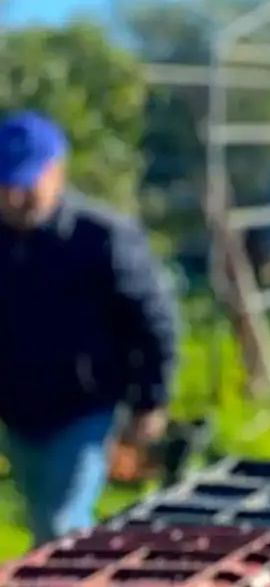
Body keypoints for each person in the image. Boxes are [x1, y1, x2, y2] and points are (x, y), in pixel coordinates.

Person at [0, 111, 179, 546]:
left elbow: (154, 321)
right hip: (17, 409)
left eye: (26, 185)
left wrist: (149, 403)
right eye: (4, 186)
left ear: (57, 173)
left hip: (85, 406)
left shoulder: (102, 238)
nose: (14, 198)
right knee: (43, 512)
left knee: (60, 524)